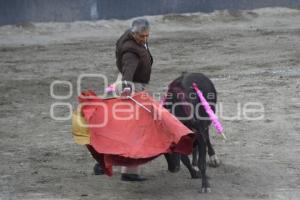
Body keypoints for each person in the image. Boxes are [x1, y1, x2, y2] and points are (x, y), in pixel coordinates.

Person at [92, 18, 153, 181]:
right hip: (132, 87)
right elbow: (128, 69)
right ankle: (129, 172)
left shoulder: (131, 37)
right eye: (142, 36)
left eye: (147, 35)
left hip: (129, 84)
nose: (145, 39)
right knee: (134, 129)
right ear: (134, 33)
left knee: (120, 127)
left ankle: (104, 162)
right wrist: (127, 87)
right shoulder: (131, 51)